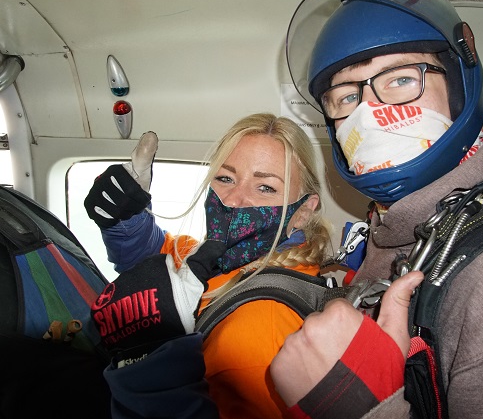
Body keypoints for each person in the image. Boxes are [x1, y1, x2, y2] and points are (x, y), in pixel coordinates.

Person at [270, 0, 483, 418]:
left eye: (401, 79)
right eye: (347, 97)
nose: (371, 112)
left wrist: (352, 405)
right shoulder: (407, 229)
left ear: (460, 89)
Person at [84, 113, 333, 419]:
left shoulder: (259, 324)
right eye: (225, 178)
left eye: (265, 187)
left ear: (303, 212)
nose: (234, 200)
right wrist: (125, 217)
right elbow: (163, 258)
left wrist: (148, 372)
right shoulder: (225, 259)